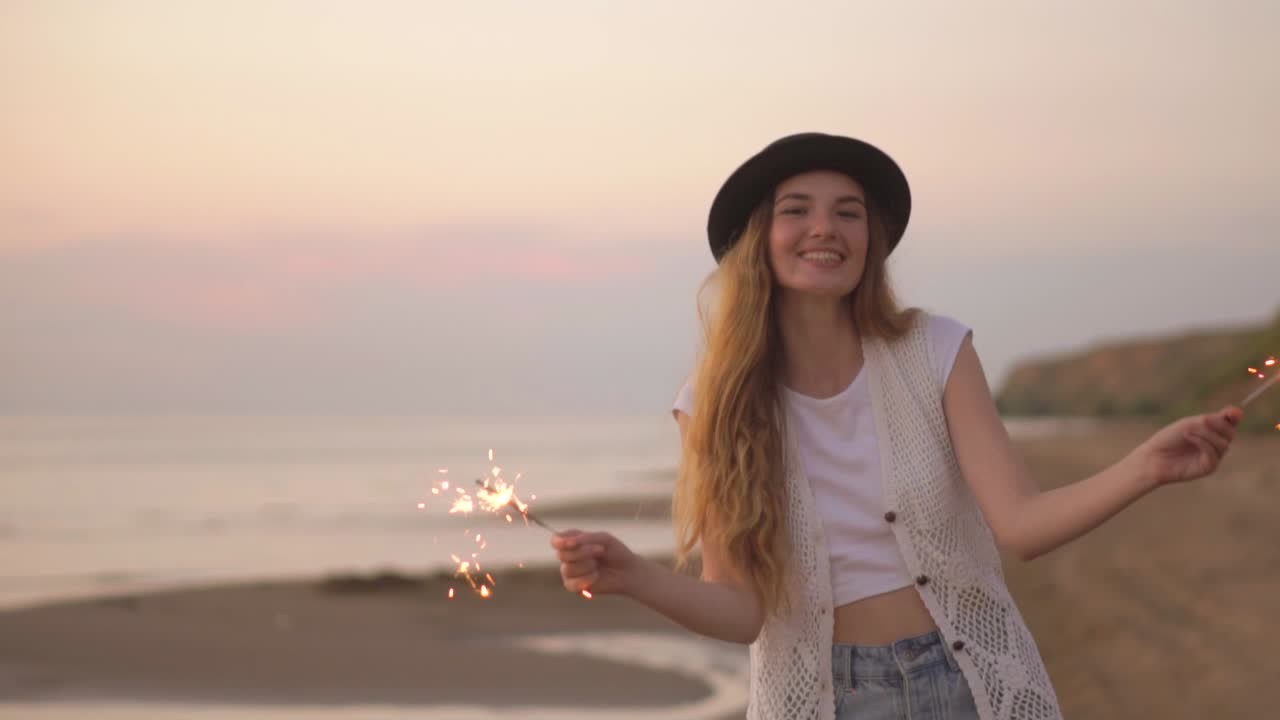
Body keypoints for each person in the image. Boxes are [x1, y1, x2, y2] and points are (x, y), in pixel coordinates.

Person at [549, 132, 1243, 720]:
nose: (825, 228)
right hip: (823, 696)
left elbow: (1022, 526)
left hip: (972, 681)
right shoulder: (715, 402)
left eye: (848, 213)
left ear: (870, 241)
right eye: (798, 211)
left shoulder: (934, 350)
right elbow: (739, 610)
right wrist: (634, 576)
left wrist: (1144, 468)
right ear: (760, 240)